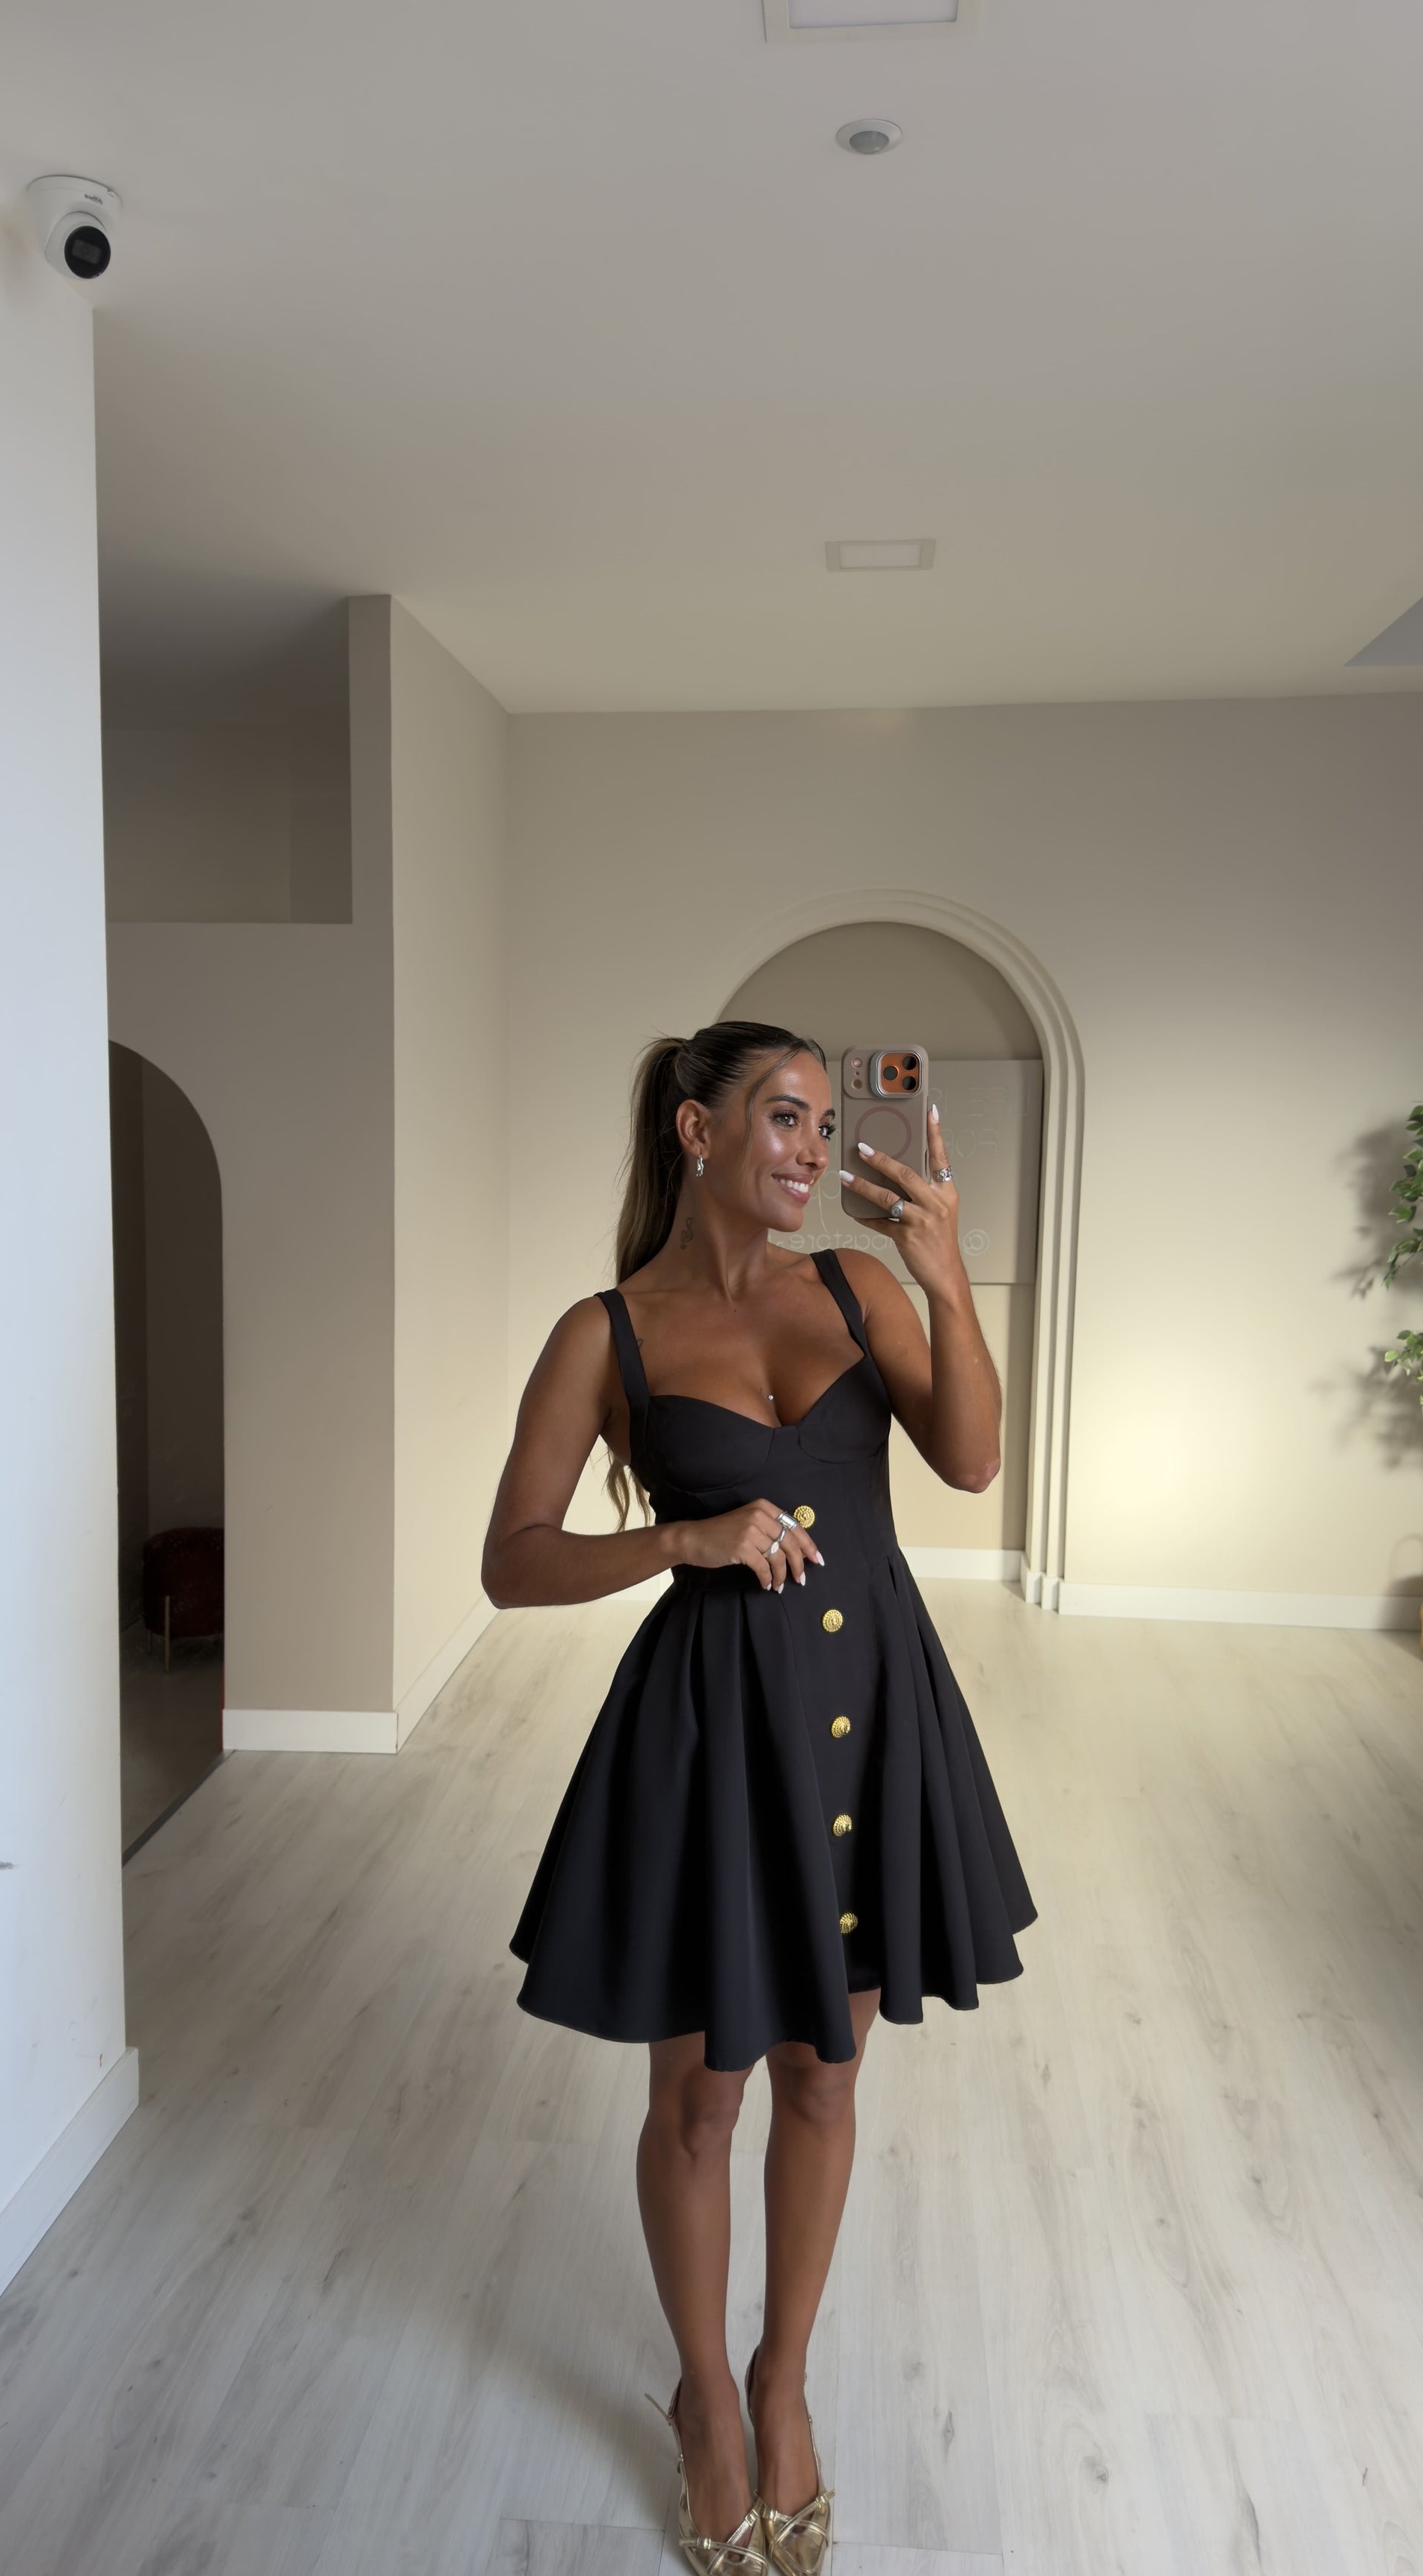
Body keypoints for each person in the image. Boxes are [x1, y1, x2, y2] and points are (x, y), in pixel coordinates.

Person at [482, 1021, 1036, 2575]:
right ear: (696, 1129)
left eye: (819, 1122)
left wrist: (944, 1273)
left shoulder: (855, 1288)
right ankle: (706, 2403)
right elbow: (513, 1559)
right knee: (701, 2095)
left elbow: (970, 1461)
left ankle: (782, 2379)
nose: (811, 1147)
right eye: (782, 1117)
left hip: (872, 1721)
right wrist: (685, 1538)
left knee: (823, 2073)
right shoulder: (607, 1333)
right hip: (716, 1733)